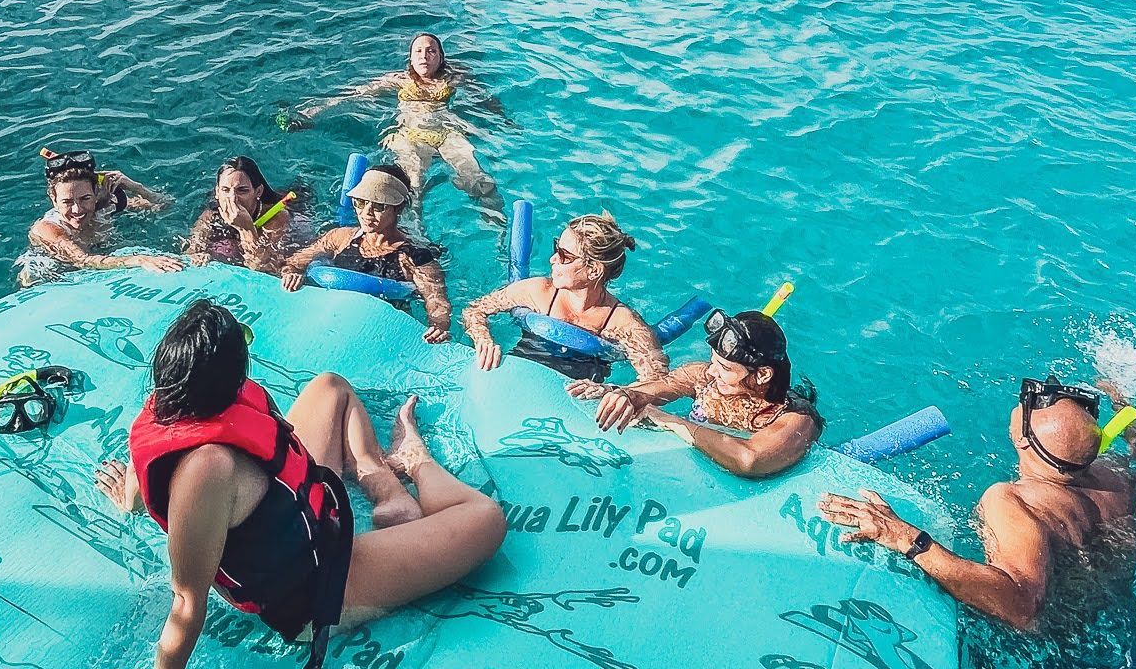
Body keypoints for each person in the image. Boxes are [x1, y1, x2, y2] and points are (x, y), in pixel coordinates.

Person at [96, 300, 506, 669]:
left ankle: (383, 485)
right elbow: (188, 602)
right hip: (318, 584)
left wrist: (130, 494)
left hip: (305, 509)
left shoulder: (175, 403)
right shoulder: (206, 470)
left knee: (331, 388)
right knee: (485, 518)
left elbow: (146, 466)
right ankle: (414, 459)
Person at [818, 378, 1136, 669]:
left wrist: (906, 537)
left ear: (1022, 439)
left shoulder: (1012, 501)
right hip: (1130, 652)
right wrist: (1122, 401)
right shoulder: (1120, 479)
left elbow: (1021, 605)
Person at [286, 33, 505, 222]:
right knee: (413, 187)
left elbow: (486, 99)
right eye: (418, 51)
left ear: (440, 57)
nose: (424, 55)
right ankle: (415, 231)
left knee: (478, 179)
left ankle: (496, 224)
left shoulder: (452, 79)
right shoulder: (399, 80)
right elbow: (355, 95)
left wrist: (504, 119)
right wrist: (312, 111)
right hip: (410, 136)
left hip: (446, 132)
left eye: (431, 51)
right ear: (410, 57)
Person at [576, 308, 821, 476]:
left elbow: (749, 460)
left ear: (763, 374)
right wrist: (625, 395)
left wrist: (672, 422)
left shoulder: (796, 418)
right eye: (713, 361)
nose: (712, 372)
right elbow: (658, 388)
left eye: (725, 368)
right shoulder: (703, 378)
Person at [460, 212, 668, 383]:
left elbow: (655, 381)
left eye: (564, 256)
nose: (552, 259)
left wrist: (612, 392)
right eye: (556, 248)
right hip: (518, 376)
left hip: (572, 397)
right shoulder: (539, 292)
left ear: (593, 270)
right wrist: (483, 339)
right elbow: (475, 310)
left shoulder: (622, 323)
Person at [280, 167, 452, 343]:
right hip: (331, 319)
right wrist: (292, 272)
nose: (366, 213)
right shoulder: (341, 237)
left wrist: (438, 328)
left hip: (378, 329)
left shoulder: (414, 259)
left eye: (378, 206)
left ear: (397, 209)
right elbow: (295, 261)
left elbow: (436, 302)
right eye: (360, 202)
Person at [20, 149, 182, 283]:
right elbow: (82, 260)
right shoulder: (49, 228)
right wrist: (139, 260)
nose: (77, 209)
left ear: (96, 193)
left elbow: (165, 205)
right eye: (67, 202)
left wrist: (136, 187)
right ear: (54, 201)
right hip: (50, 275)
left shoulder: (105, 205)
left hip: (100, 261)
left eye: (85, 198)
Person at [187, 156, 299, 275]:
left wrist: (246, 229)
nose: (233, 198)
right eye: (225, 190)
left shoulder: (277, 217)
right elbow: (191, 251)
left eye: (242, 190)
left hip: (298, 210)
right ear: (217, 192)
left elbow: (263, 268)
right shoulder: (211, 215)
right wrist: (197, 256)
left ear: (258, 191)